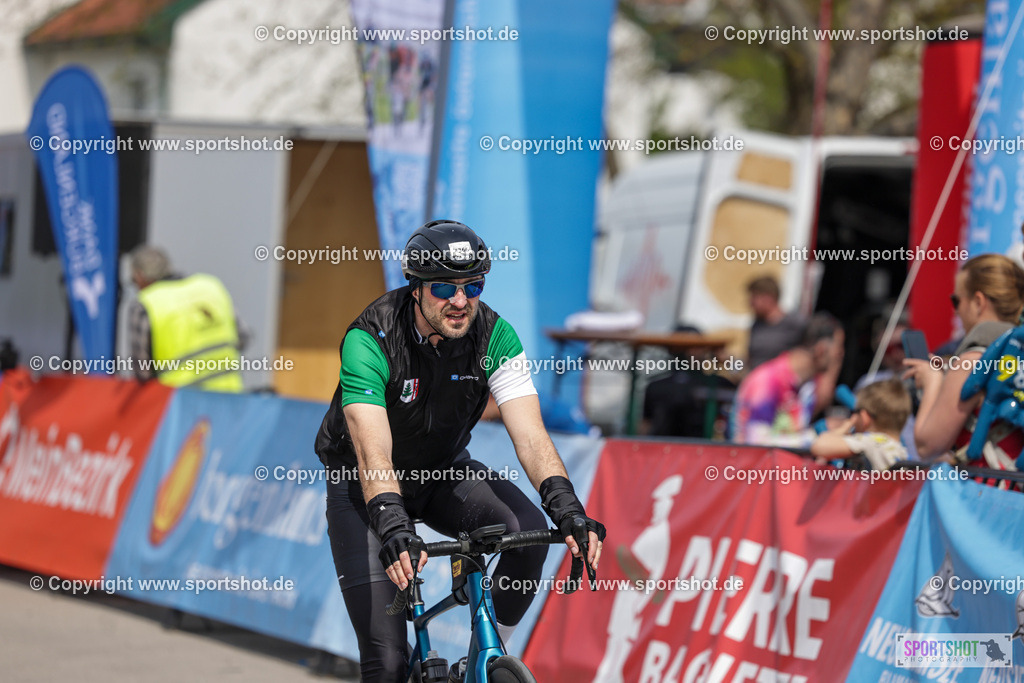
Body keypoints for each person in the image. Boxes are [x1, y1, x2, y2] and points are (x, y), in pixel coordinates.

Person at [314, 220, 605, 682]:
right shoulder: (370, 339)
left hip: (442, 472)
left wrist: (567, 508)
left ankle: (482, 662)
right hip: (365, 489)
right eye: (444, 287)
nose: (460, 300)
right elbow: (373, 452)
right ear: (415, 288)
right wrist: (393, 525)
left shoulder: (494, 336)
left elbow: (531, 437)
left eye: (473, 286)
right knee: (386, 664)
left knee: (528, 532)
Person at [903, 254, 1024, 467]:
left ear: (978, 302)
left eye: (956, 301)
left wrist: (932, 382)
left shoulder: (974, 358)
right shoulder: (1017, 352)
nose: (955, 310)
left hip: (988, 485)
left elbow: (927, 445)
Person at [127, 245, 247, 392]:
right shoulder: (210, 287)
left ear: (140, 276)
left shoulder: (145, 304)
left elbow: (142, 371)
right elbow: (242, 337)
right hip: (229, 396)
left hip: (180, 400)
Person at [730, 313, 844, 448]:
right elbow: (756, 443)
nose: (840, 355)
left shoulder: (807, 386)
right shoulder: (768, 381)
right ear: (821, 350)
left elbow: (795, 434)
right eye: (839, 347)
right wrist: (816, 436)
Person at [810, 378, 911, 470]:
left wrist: (846, 425)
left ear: (864, 417)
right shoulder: (902, 452)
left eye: (856, 412)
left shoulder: (871, 441)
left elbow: (819, 446)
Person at [746, 276, 807, 370]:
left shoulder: (795, 323)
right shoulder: (757, 325)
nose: (750, 303)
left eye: (754, 297)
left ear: (768, 298)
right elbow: (750, 362)